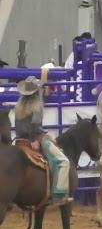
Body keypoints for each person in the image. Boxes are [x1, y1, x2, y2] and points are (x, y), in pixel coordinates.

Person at [15, 76, 72, 205]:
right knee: (64, 161)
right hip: (35, 139)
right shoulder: (37, 106)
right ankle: (59, 194)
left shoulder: (18, 107)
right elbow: (35, 127)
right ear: (37, 92)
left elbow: (20, 127)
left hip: (20, 141)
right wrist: (36, 139)